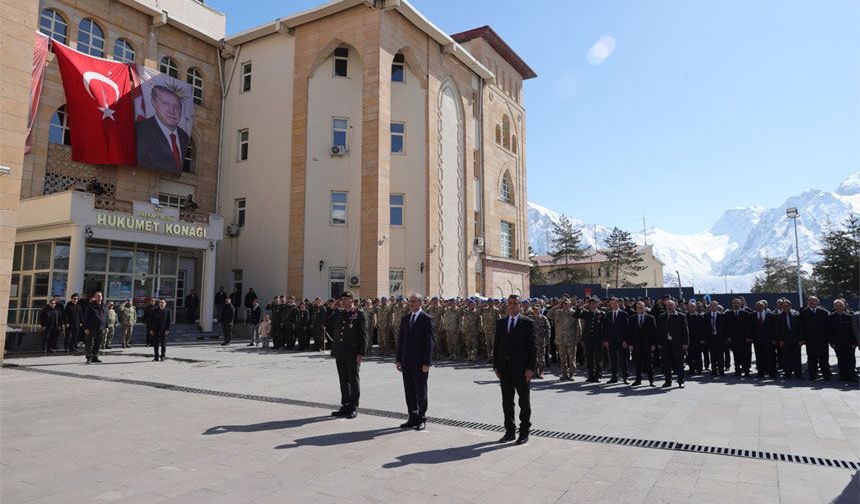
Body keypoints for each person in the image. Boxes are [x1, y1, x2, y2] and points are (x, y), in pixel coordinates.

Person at [493, 294, 537, 445]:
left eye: (515, 303)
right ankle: (509, 432)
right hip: (505, 370)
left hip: (522, 370)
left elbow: (533, 347)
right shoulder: (501, 323)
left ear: (520, 305)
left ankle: (524, 432)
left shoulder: (527, 323)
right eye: (510, 303)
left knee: (524, 402)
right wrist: (496, 367)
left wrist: (531, 368)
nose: (512, 306)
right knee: (507, 402)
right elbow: (496, 346)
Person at [395, 293, 435, 431]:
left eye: (413, 301)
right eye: (409, 301)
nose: (410, 303)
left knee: (421, 391)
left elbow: (429, 343)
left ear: (420, 303)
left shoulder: (427, 319)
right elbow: (401, 341)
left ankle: (421, 418)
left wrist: (427, 363)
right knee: (409, 391)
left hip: (420, 363)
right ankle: (412, 417)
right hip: (406, 361)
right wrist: (398, 359)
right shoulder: (405, 319)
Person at [136, 84, 190, 173]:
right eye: (165, 104)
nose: (172, 111)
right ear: (154, 103)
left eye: (176, 106)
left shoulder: (184, 137)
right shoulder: (141, 130)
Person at [331, 292, 367, 419]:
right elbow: (327, 321)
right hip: (340, 351)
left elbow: (363, 335)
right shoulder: (341, 313)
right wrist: (334, 307)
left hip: (353, 353)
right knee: (343, 380)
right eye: (342, 299)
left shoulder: (359, 314)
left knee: (353, 379)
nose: (343, 301)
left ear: (352, 300)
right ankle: (345, 404)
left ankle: (353, 406)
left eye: (346, 299)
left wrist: (361, 353)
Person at [657, 300, 689, 388]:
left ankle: (680, 381)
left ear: (675, 306)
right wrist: (659, 342)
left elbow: (685, 331)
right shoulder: (662, 316)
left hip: (678, 344)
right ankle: (668, 381)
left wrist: (685, 343)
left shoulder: (681, 316)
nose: (669, 307)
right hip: (666, 344)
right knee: (667, 364)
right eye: (667, 305)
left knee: (679, 363)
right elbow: (659, 331)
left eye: (671, 305)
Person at [800, 296, 831, 380]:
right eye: (810, 300)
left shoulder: (824, 312)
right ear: (807, 302)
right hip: (810, 340)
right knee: (811, 358)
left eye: (814, 300)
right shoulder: (803, 313)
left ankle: (826, 375)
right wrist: (802, 339)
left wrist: (829, 339)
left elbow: (828, 327)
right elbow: (801, 327)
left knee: (824, 358)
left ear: (818, 302)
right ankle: (812, 374)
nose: (812, 302)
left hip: (822, 340)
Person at [627, 301, 657, 386]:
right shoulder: (632, 318)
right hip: (636, 345)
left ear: (644, 307)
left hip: (647, 345)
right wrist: (630, 344)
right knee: (638, 364)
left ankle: (651, 380)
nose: (639, 309)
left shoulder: (651, 318)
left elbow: (654, 332)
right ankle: (638, 380)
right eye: (638, 308)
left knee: (649, 364)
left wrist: (653, 344)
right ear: (636, 309)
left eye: (641, 307)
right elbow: (629, 333)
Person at [829, 300, 857, 382]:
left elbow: (853, 330)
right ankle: (842, 375)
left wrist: (854, 342)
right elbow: (829, 331)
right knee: (841, 359)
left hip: (850, 343)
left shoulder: (850, 316)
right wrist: (832, 342)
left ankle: (851, 375)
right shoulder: (830, 317)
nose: (839, 307)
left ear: (844, 306)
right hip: (837, 343)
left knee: (851, 359)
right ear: (834, 307)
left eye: (840, 305)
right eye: (837, 305)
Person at [776, 299, 804, 379]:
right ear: (781, 307)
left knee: (797, 358)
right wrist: (780, 340)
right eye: (783, 306)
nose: (785, 307)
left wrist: (801, 340)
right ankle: (787, 374)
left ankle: (798, 374)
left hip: (796, 341)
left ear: (790, 306)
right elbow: (778, 330)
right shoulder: (779, 316)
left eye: (787, 306)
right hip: (785, 341)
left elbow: (801, 329)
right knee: (786, 358)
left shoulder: (796, 315)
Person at [603, 297, 629, 384]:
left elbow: (626, 329)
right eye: (612, 303)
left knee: (623, 360)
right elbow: (606, 328)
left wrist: (625, 340)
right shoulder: (608, 314)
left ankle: (625, 377)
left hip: (621, 341)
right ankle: (614, 377)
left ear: (618, 304)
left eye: (615, 303)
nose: (613, 305)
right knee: (613, 360)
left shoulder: (624, 314)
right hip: (611, 341)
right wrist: (606, 340)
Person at [749, 301, 777, 378]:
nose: (759, 308)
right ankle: (760, 372)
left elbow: (774, 328)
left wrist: (774, 338)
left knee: (770, 356)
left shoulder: (770, 315)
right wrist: (750, 337)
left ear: (764, 306)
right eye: (757, 306)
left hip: (769, 340)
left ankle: (772, 373)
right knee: (759, 356)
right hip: (757, 340)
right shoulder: (752, 315)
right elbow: (750, 328)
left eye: (761, 306)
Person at [82, 291, 108, 364]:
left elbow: (106, 317)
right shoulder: (91, 306)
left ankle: (95, 357)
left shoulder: (104, 306)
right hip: (92, 328)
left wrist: (106, 327)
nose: (100, 297)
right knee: (90, 343)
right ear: (95, 297)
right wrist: (86, 328)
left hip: (101, 328)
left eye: (101, 296)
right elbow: (86, 317)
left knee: (97, 343)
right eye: (98, 296)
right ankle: (89, 358)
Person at [706, 301, 726, 376]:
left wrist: (725, 338)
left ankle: (721, 371)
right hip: (711, 338)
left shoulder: (722, 315)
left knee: (720, 355)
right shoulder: (706, 316)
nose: (713, 307)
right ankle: (714, 370)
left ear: (717, 307)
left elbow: (725, 328)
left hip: (720, 338)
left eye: (715, 305)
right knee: (712, 355)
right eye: (712, 305)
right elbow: (704, 328)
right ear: (710, 307)